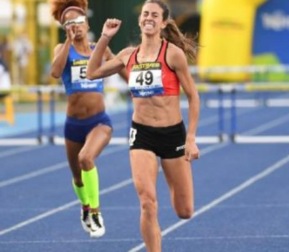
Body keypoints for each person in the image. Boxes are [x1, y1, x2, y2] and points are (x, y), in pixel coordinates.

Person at [86, 0, 200, 250]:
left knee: (185, 210)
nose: (148, 17)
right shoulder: (128, 55)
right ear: (140, 20)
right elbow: (92, 73)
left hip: (173, 135)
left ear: (163, 22)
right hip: (142, 134)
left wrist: (190, 137)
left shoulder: (173, 54)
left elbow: (193, 96)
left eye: (154, 15)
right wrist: (104, 37)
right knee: (147, 201)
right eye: (145, 13)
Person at [49, 0, 127, 238]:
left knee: (86, 158)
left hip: (99, 122)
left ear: (87, 22)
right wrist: (68, 43)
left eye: (78, 20)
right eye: (69, 22)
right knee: (77, 177)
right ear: (64, 27)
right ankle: (85, 207)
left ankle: (95, 211)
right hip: (73, 124)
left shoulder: (99, 49)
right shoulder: (62, 49)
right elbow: (54, 72)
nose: (75, 25)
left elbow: (127, 76)